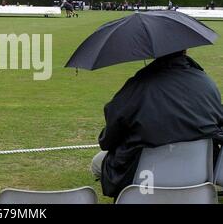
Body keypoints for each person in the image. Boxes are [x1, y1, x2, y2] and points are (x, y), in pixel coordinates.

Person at [91, 50, 223, 199]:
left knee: (97, 163)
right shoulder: (206, 82)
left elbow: (107, 141)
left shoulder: (137, 87)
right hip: (198, 175)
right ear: (185, 50)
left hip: (144, 178)